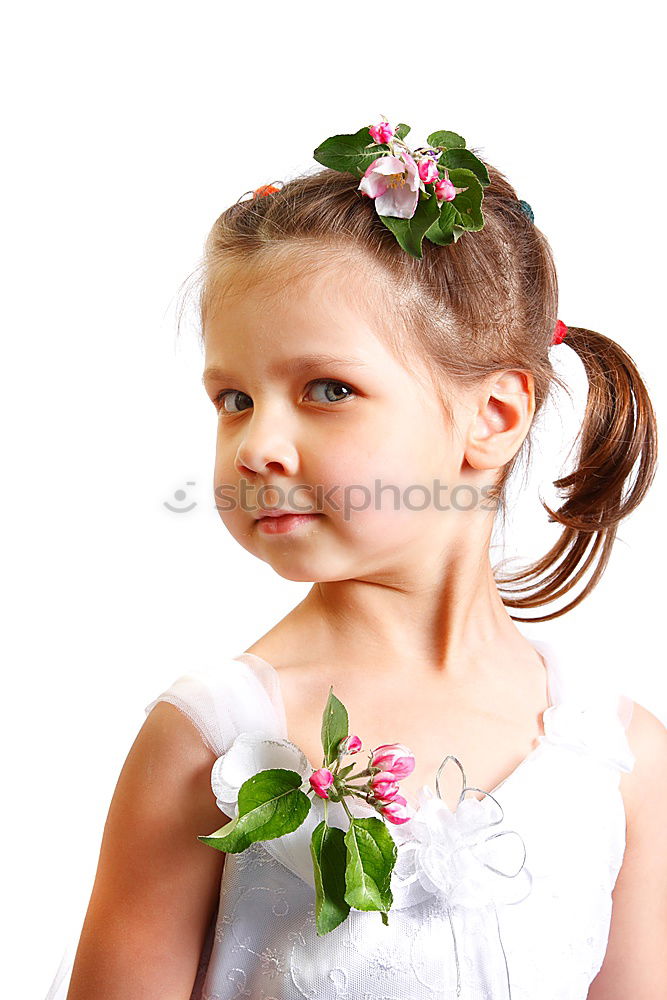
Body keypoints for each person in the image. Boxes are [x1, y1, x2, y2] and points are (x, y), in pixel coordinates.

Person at [48, 120, 667, 999]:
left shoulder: (615, 755)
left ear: (492, 417)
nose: (258, 444)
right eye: (233, 398)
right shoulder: (212, 743)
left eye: (327, 390)